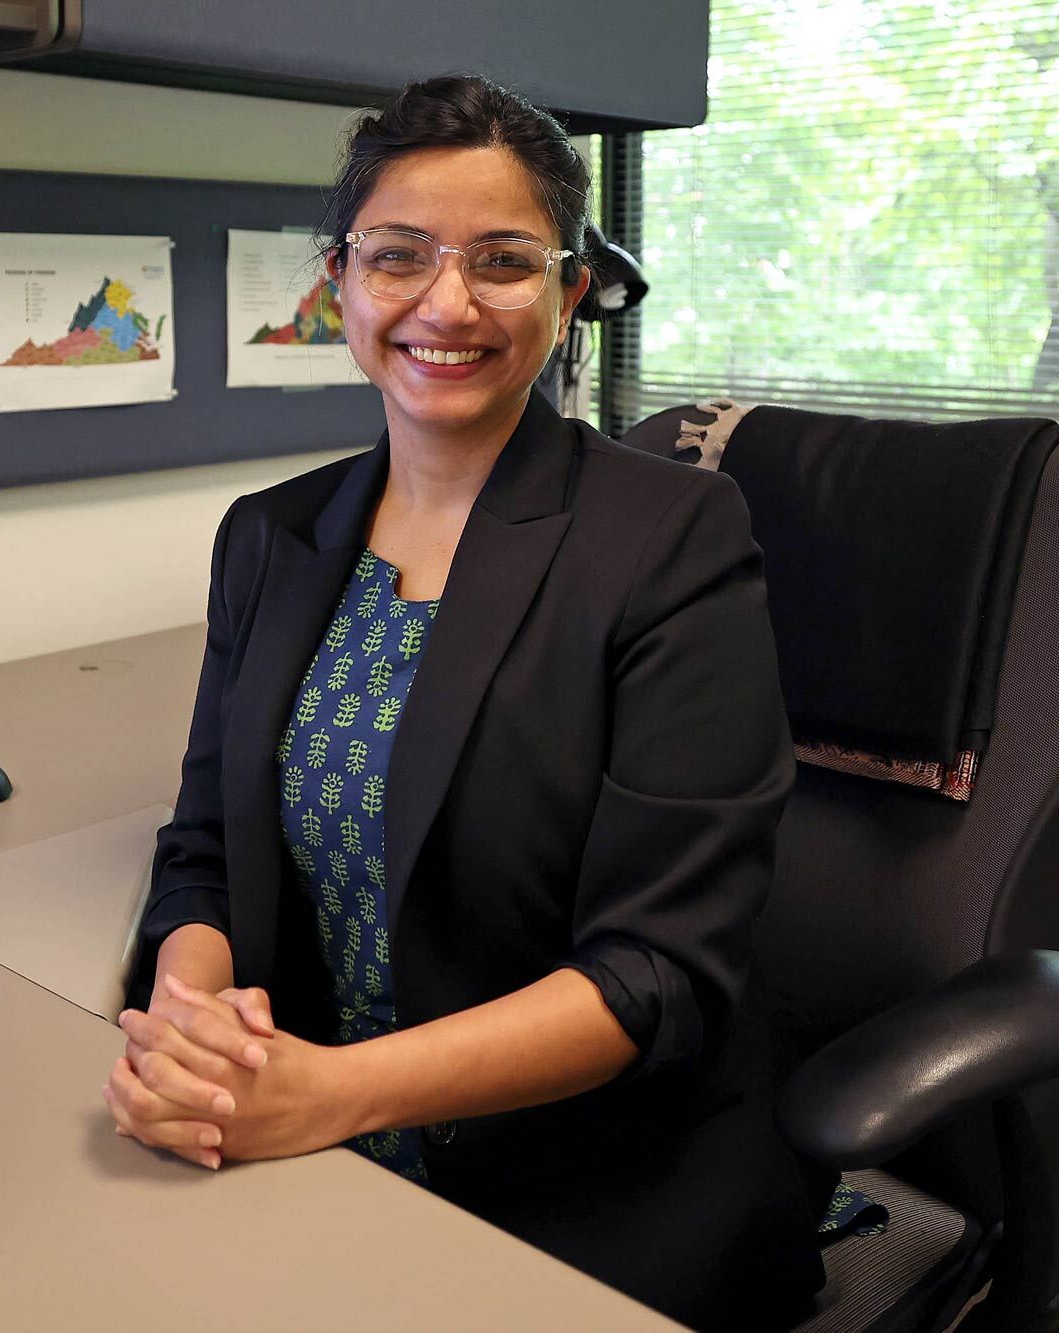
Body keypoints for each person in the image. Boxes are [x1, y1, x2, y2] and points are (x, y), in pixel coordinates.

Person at [103, 74, 827, 1331]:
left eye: (501, 261)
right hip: (314, 1133)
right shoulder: (267, 539)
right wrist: (196, 1023)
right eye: (397, 256)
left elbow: (651, 972)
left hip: (584, 1171)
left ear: (568, 290)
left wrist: (325, 1094)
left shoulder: (667, 539)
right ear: (339, 280)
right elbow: (204, 852)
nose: (446, 304)